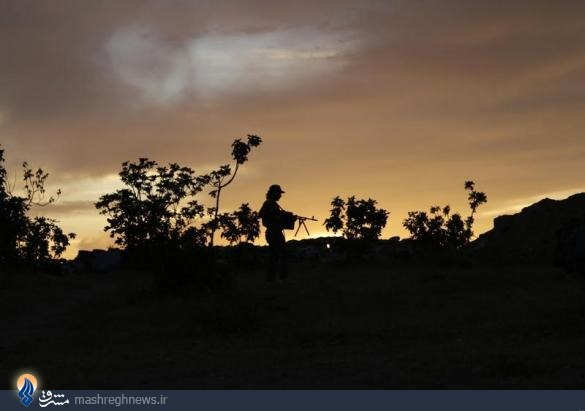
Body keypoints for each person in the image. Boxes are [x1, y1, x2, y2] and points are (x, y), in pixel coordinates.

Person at [259, 184, 296, 283]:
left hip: (275, 232)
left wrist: (287, 217)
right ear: (274, 193)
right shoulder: (269, 204)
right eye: (279, 193)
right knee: (281, 254)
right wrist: (280, 215)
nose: (280, 195)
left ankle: (272, 279)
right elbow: (262, 214)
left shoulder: (272, 204)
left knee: (274, 256)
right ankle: (281, 278)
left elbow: (276, 217)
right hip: (273, 232)